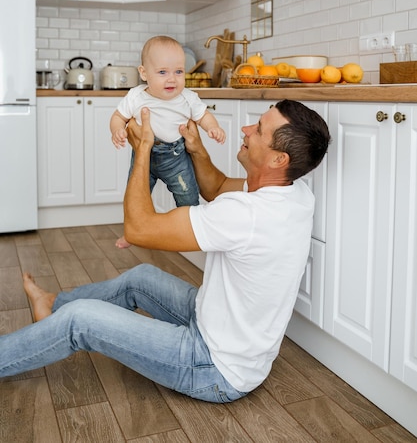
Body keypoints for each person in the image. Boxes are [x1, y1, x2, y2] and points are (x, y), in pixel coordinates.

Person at [1, 99, 330, 404]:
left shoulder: (248, 215)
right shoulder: (293, 191)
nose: (245, 130)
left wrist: (143, 150)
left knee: (81, 320)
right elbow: (215, 188)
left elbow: (138, 229)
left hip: (212, 366)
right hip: (219, 328)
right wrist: (197, 148)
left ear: (278, 159)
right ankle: (50, 304)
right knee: (140, 278)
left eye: (257, 130)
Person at [110, 35, 225, 248]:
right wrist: (117, 130)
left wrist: (213, 128)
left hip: (176, 159)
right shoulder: (135, 96)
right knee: (134, 197)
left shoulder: (188, 97)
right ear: (144, 73)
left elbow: (203, 116)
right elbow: (118, 117)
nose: (172, 79)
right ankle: (130, 233)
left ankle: (190, 230)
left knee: (188, 195)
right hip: (143, 158)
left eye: (178, 72)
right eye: (163, 72)